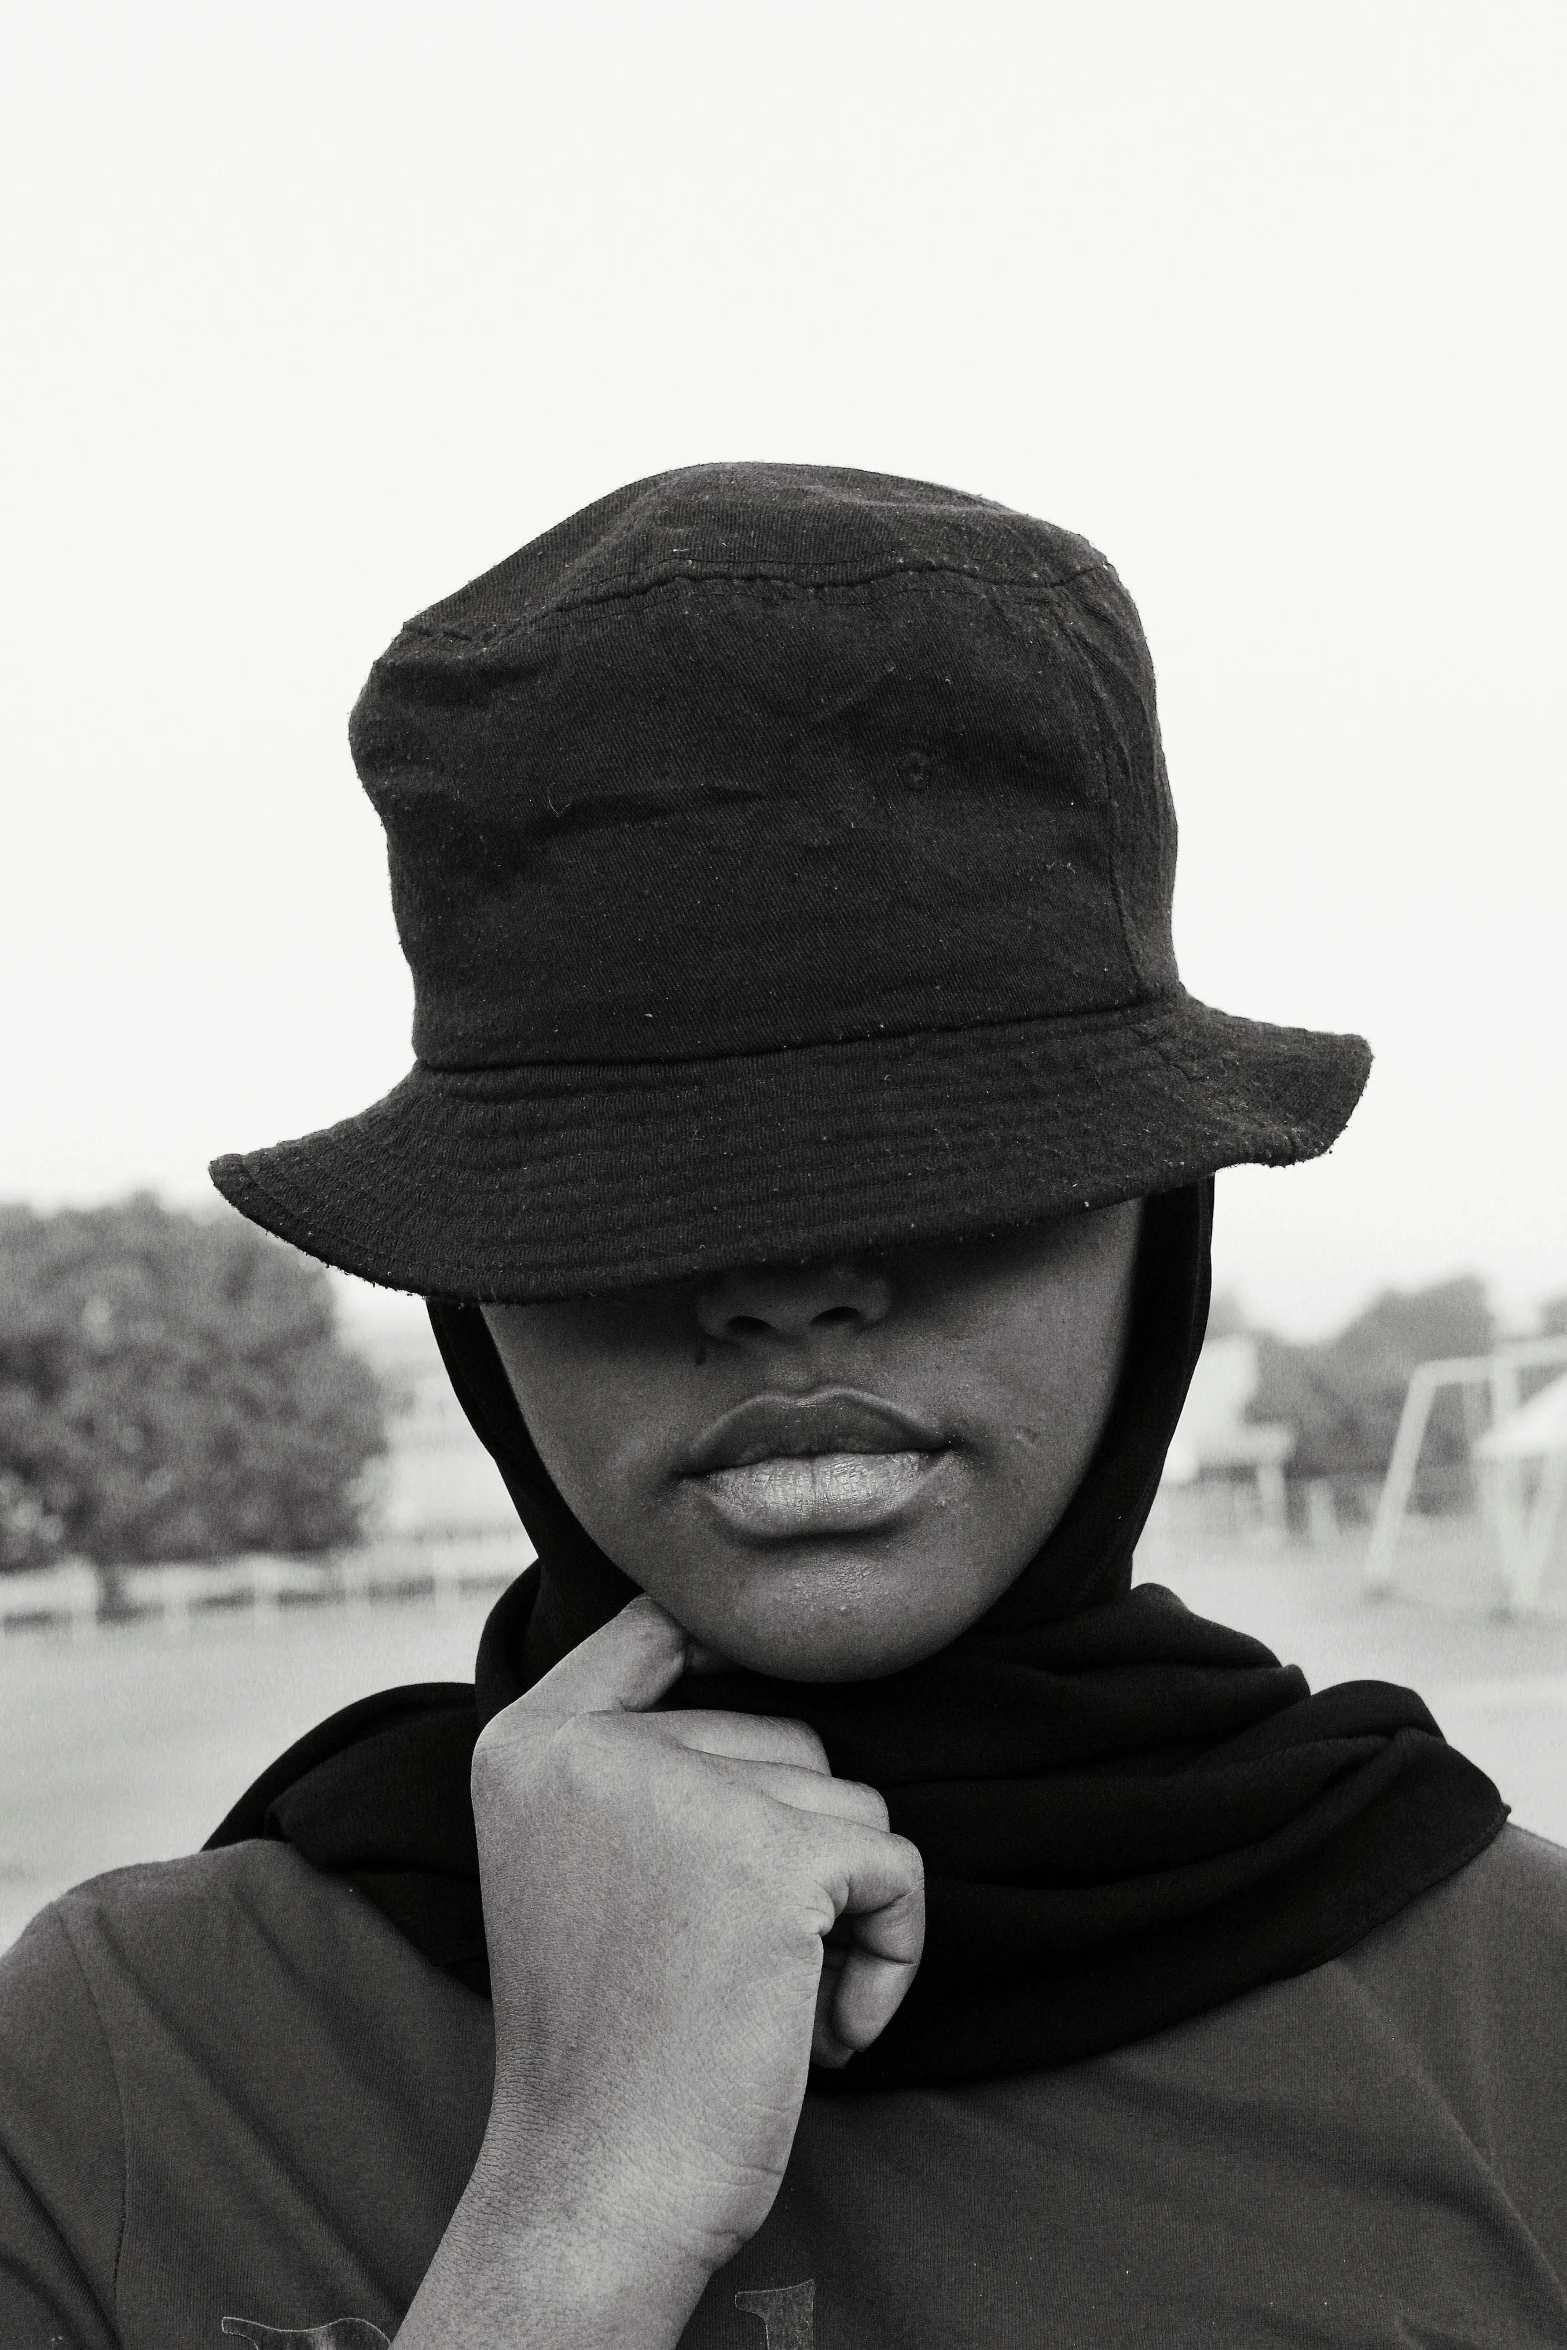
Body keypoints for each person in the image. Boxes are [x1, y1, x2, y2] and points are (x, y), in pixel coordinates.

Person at [2, 464, 1563, 2350]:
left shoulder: (1519, 2019)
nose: (790, 1283)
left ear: (1161, 1225)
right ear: (468, 1301)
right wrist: (574, 2212)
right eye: (635, 1188)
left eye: (947, 1155)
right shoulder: (134, 2063)